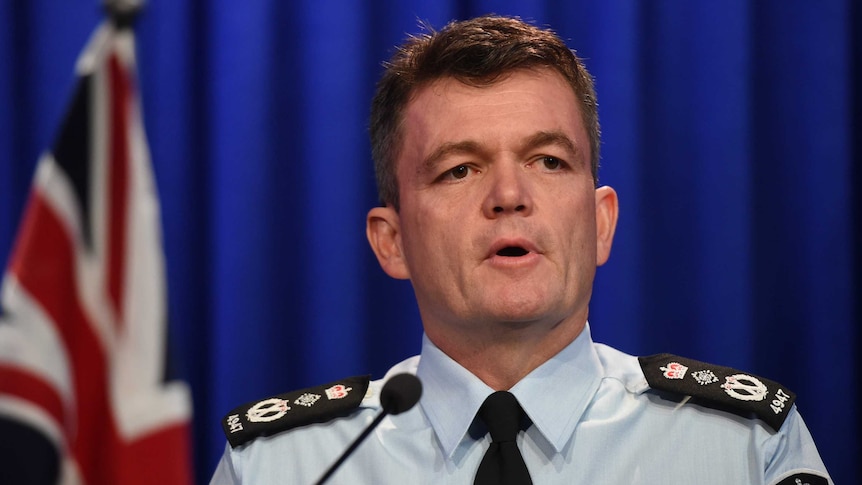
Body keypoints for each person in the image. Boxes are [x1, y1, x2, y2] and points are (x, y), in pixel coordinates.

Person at [209, 15, 831, 485]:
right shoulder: (281, 465)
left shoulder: (745, 450)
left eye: (549, 161)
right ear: (391, 241)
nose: (509, 195)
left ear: (600, 224)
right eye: (459, 170)